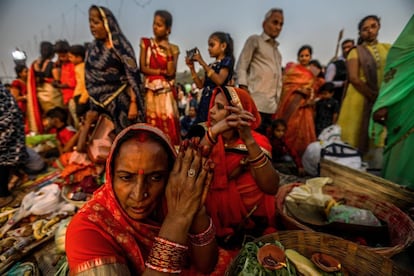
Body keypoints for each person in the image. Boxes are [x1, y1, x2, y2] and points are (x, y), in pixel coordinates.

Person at [66, 123, 232, 274]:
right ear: (110, 175)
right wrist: (177, 219)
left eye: (155, 178)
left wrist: (195, 210)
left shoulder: (174, 199)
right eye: (126, 177)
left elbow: (207, 266)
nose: (139, 194)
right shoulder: (88, 229)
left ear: (170, 176)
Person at [200, 86, 280, 249]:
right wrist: (214, 132)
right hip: (210, 218)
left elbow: (271, 187)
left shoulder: (257, 141)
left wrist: (248, 138)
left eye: (220, 107)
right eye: (213, 105)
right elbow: (191, 171)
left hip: (250, 218)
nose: (211, 112)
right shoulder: (208, 136)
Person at [337, 15, 390, 168]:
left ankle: (375, 170)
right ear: (360, 33)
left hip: (382, 99)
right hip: (358, 100)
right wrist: (373, 96)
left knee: (378, 135)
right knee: (355, 134)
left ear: (379, 26)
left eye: (373, 26)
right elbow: (354, 78)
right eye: (365, 29)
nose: (370, 31)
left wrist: (382, 98)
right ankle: (352, 169)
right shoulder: (355, 52)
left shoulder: (388, 49)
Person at [84, 5, 145, 136]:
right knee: (103, 143)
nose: (92, 26)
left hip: (121, 103)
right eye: (90, 22)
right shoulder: (92, 49)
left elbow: (133, 75)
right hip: (98, 105)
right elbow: (90, 77)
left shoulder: (120, 45)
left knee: (125, 139)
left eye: (96, 22)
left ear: (107, 23)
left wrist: (134, 103)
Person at [372, 15, 414, 189]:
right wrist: (384, 103)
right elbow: (396, 68)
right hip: (404, 104)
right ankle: (399, 188)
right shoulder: (404, 47)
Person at [236, 8, 284, 135]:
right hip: (255, 104)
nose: (278, 27)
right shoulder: (255, 40)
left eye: (281, 24)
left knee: (265, 146)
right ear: (264, 23)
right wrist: (244, 92)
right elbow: (241, 66)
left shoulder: (277, 53)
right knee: (252, 144)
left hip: (271, 107)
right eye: (275, 22)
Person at [274, 45, 325, 157]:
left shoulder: (313, 72)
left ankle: (303, 155)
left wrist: (311, 94)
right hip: (292, 105)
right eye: (301, 56)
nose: (304, 58)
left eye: (306, 55)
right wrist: (298, 89)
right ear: (298, 57)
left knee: (304, 131)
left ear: (310, 57)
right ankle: (286, 152)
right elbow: (286, 85)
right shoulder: (292, 69)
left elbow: (316, 87)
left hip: (306, 107)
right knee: (290, 128)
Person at [140, 10, 181, 146]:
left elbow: (171, 73)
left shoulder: (173, 49)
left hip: (166, 93)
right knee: (152, 123)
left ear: (168, 30)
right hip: (150, 91)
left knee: (168, 123)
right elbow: (143, 68)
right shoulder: (146, 43)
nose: (155, 27)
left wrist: (167, 51)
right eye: (154, 24)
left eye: (159, 25)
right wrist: (161, 72)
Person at [186, 32, 235, 124]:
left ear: (223, 46)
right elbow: (200, 85)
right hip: (205, 101)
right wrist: (192, 68)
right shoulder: (210, 66)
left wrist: (202, 62)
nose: (209, 49)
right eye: (208, 46)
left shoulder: (226, 61)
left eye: (212, 45)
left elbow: (219, 80)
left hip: (216, 101)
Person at [0, 84, 28, 207]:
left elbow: (7, 116)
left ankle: (3, 195)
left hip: (7, 126)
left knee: (4, 159)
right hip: (8, 124)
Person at [27, 41, 63, 133]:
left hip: (40, 93)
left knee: (49, 115)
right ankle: (60, 135)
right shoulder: (52, 64)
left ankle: (50, 134)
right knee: (60, 115)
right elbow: (57, 80)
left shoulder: (34, 64)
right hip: (52, 92)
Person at [325, 39, 355, 106]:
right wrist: (342, 83)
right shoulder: (334, 65)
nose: (346, 50)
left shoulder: (360, 62)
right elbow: (328, 83)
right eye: (344, 48)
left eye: (349, 47)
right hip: (339, 101)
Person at [68, 44, 89, 128]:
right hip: (79, 95)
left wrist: (83, 98)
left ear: (79, 58)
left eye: (71, 57)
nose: (70, 59)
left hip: (81, 96)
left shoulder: (81, 67)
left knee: (82, 119)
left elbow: (85, 83)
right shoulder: (78, 67)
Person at [53, 40, 76, 108]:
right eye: (59, 56)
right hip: (66, 98)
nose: (61, 58)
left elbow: (73, 82)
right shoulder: (63, 65)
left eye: (63, 56)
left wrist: (59, 86)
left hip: (73, 97)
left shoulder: (73, 65)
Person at [10, 64, 29, 131]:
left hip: (29, 107)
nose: (28, 73)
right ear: (20, 73)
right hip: (22, 108)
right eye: (26, 71)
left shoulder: (28, 82)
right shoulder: (16, 83)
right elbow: (14, 98)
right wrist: (25, 97)